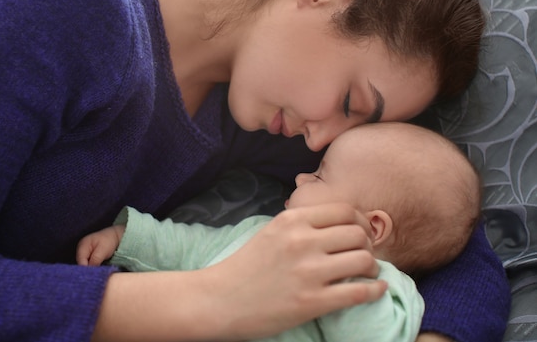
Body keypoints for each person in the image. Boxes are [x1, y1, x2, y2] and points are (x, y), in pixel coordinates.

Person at [0, 0, 509, 341]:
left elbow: (440, 223)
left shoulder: (257, 105)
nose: (326, 142)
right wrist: (215, 299)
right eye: (352, 102)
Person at [76, 122, 482, 342]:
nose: (302, 177)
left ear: (371, 227)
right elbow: (191, 246)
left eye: (321, 177)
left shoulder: (385, 290)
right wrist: (128, 238)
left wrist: (344, 270)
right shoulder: (263, 232)